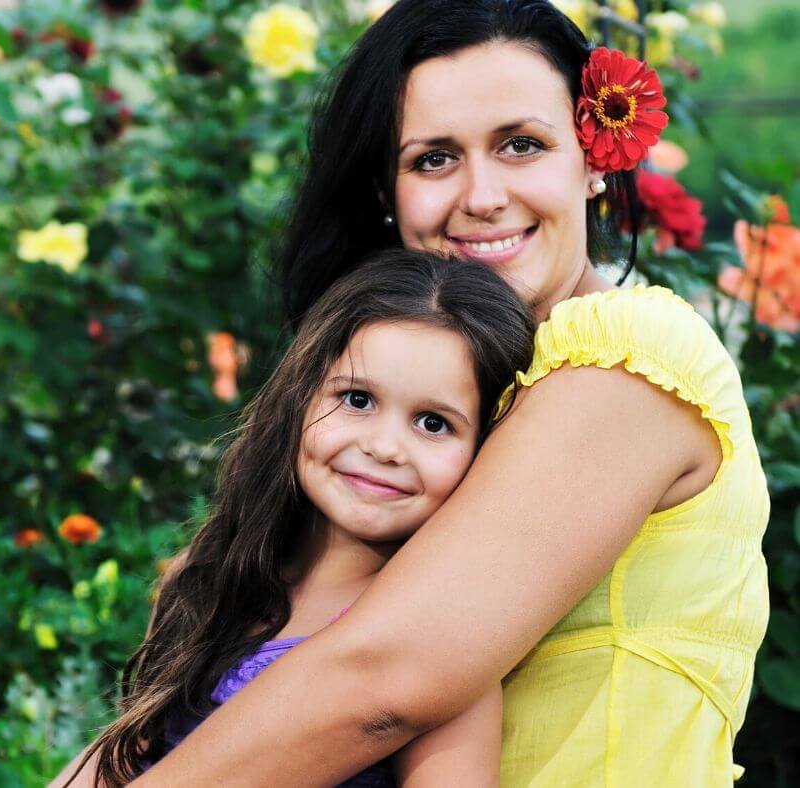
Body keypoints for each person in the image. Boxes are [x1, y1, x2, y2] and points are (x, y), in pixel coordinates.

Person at [112, 0, 769, 785]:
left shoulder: (629, 358)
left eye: (522, 145)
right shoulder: (436, 385)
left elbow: (384, 683)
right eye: (433, 159)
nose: (481, 195)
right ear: (387, 192)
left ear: (594, 159)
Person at [51, 249, 537, 787]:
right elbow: (122, 758)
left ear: (485, 449)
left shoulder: (440, 651)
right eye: (357, 399)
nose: (383, 447)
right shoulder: (207, 577)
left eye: (432, 423)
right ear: (301, 398)